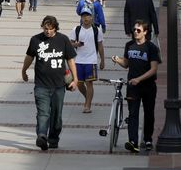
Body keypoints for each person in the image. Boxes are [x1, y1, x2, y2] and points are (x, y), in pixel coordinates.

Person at [21, 15, 78, 151]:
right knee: (43, 113)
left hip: (59, 86)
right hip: (41, 85)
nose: (47, 31)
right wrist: (23, 71)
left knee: (56, 115)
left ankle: (53, 138)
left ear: (55, 28)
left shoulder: (63, 39)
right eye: (45, 28)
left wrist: (75, 79)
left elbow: (70, 60)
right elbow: (29, 57)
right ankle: (42, 136)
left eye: (50, 29)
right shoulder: (36, 40)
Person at [112, 19, 161, 152]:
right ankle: (133, 141)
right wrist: (118, 60)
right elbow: (126, 64)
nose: (135, 32)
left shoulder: (151, 48)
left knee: (148, 113)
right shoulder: (129, 45)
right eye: (134, 29)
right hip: (133, 86)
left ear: (145, 32)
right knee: (133, 113)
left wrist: (139, 79)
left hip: (148, 86)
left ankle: (148, 139)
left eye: (138, 30)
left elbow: (153, 69)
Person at [69, 9, 104, 113]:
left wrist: (102, 60)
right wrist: (76, 44)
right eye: (83, 16)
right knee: (79, 84)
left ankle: (87, 105)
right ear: (81, 18)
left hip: (91, 60)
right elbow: (70, 44)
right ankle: (87, 98)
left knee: (89, 84)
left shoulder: (96, 30)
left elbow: (100, 46)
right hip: (79, 60)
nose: (85, 18)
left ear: (91, 17)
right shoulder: (76, 29)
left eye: (87, 16)